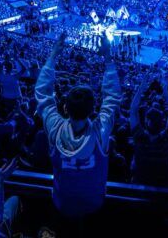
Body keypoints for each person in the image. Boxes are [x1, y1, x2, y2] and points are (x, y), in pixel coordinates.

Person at [35, 33, 123, 220]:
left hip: (61, 202)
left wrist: (53, 55)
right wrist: (107, 57)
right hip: (95, 204)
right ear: (93, 110)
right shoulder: (100, 132)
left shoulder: (55, 128)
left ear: (65, 108)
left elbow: (42, 93)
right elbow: (113, 97)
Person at [128, 75, 168, 186]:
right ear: (163, 123)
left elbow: (133, 111)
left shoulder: (139, 138)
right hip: (162, 191)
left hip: (138, 189)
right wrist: (165, 89)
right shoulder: (167, 139)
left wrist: (141, 88)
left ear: (145, 122)